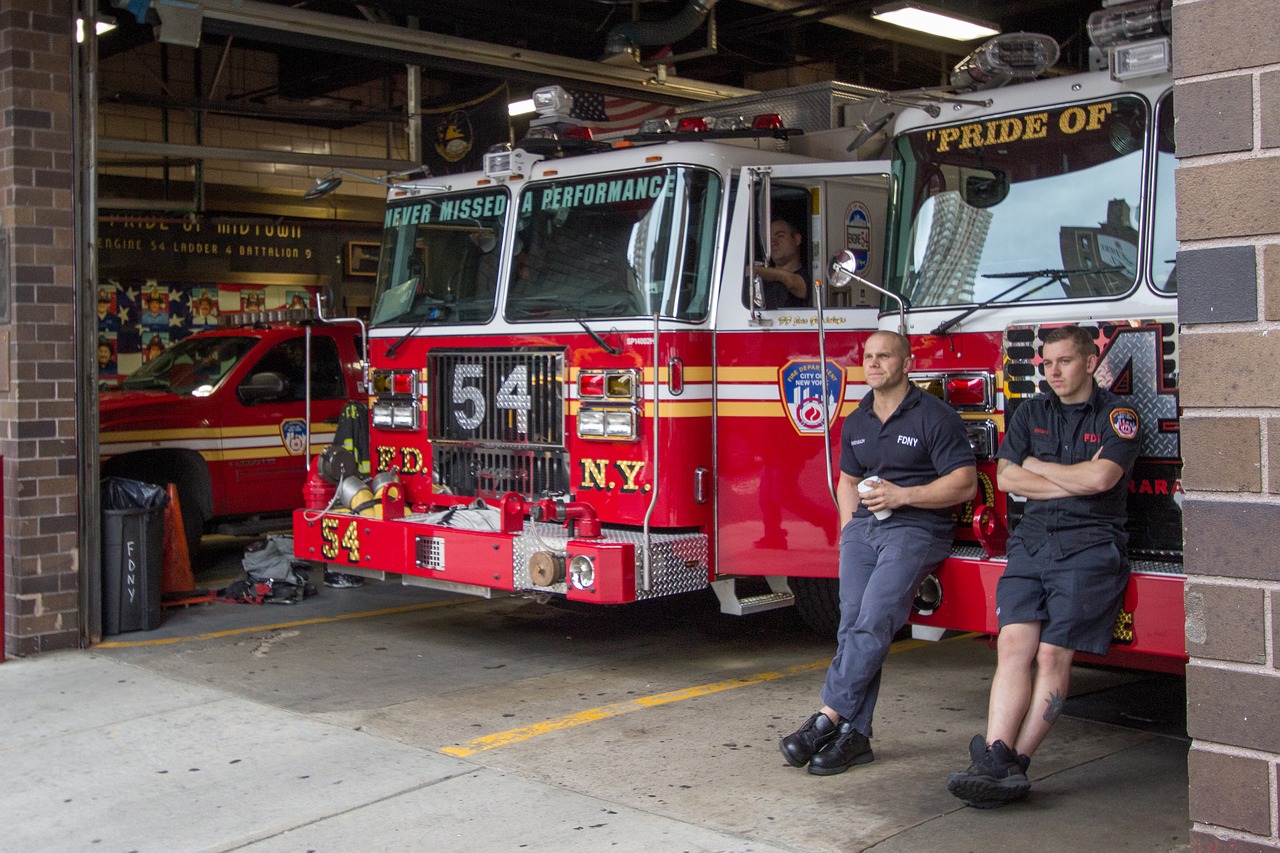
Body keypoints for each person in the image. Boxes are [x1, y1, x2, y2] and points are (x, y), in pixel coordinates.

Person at [946, 325, 1140, 808]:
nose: (1052, 372)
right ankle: (995, 756)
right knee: (1013, 644)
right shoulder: (1030, 410)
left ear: (1090, 362)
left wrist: (1042, 469)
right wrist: (1068, 478)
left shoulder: (1119, 415)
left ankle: (1014, 763)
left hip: (1089, 548)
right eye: (1046, 363)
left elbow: (1102, 478)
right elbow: (1009, 479)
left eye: (1064, 362)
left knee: (1053, 657)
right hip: (1031, 545)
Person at [780, 330, 976, 775]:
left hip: (918, 529)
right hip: (864, 532)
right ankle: (856, 736)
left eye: (883, 356)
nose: (872, 364)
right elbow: (847, 479)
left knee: (874, 620)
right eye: (867, 357)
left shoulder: (935, 416)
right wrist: (849, 530)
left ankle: (826, 718)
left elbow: (964, 482)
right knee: (851, 625)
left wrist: (903, 497)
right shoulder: (858, 419)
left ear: (906, 364)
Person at [752, 218, 812, 309]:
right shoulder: (761, 280)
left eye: (780, 236)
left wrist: (755, 270)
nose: (773, 243)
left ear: (797, 239)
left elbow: (792, 282)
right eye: (768, 239)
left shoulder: (811, 274)